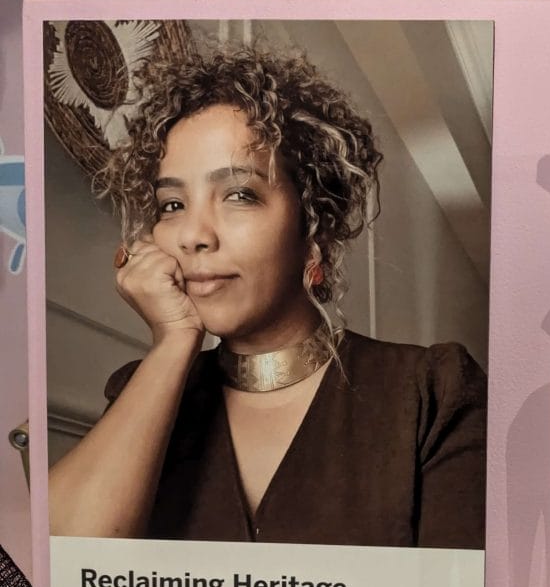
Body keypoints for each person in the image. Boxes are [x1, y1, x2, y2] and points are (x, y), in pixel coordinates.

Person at [47, 45, 486, 549]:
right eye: (172, 204)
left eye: (239, 194)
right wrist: (173, 341)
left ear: (313, 231)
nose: (193, 235)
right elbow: (65, 579)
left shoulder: (432, 389)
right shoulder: (141, 390)